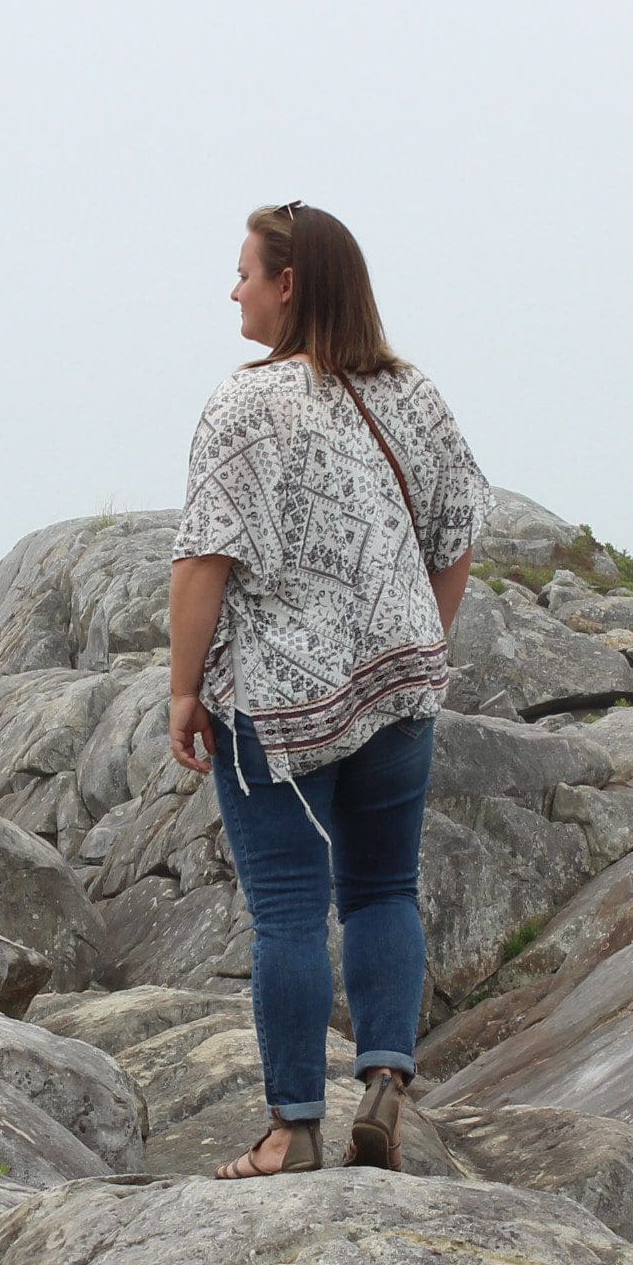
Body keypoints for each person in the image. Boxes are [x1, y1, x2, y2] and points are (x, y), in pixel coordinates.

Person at [168, 201, 483, 1178]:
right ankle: (387, 1075)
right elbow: (461, 529)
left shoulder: (245, 404)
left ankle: (293, 1129)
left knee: (291, 912)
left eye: (246, 272)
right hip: (399, 688)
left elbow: (203, 562)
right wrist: (418, 635)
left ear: (289, 283)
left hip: (278, 702)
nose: (235, 290)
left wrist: (184, 692)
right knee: (385, 887)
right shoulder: (410, 395)